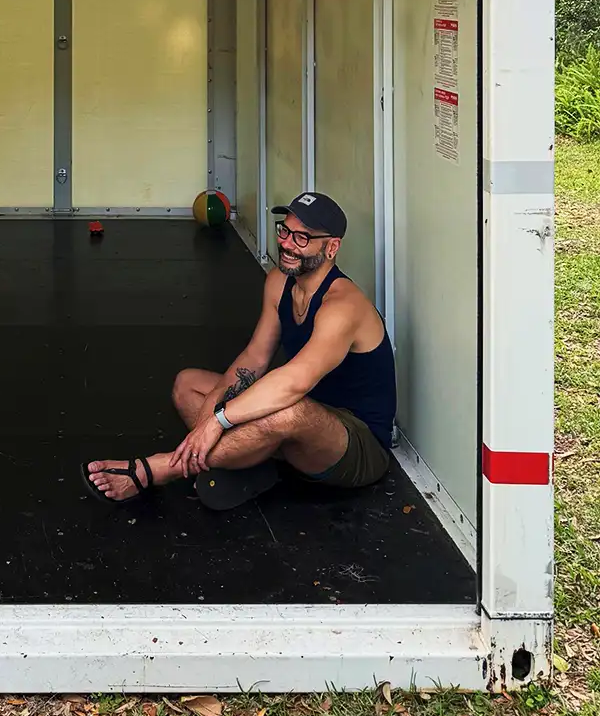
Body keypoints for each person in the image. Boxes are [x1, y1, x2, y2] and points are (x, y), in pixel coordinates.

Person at [83, 192, 396, 510]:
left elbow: (294, 382)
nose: (287, 244)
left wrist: (218, 422)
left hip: (355, 443)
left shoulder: (343, 306)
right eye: (284, 231)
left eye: (302, 238)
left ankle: (157, 470)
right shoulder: (279, 281)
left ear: (332, 247)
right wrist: (208, 418)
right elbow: (254, 359)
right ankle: (252, 457)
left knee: (289, 409)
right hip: (299, 420)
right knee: (187, 383)